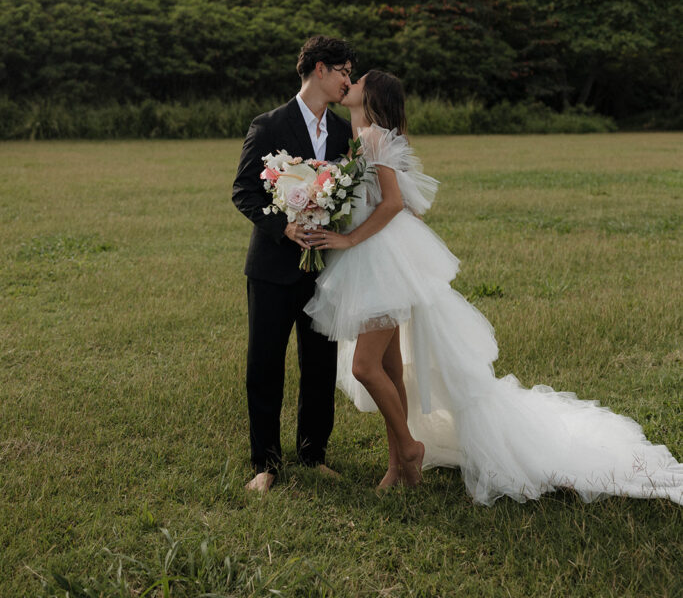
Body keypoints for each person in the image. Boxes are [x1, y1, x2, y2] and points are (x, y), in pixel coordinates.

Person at [303, 70, 683, 504]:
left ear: (372, 95)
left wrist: (350, 238)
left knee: (364, 367)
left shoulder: (371, 137)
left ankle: (409, 448)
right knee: (389, 370)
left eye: (360, 79)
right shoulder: (361, 135)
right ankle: (399, 467)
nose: (351, 80)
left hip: (380, 260)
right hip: (380, 260)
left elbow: (392, 203)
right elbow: (404, 206)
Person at [232, 35, 355, 494]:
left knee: (321, 362)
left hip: (325, 267)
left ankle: (313, 453)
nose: (349, 80)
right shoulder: (267, 126)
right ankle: (265, 463)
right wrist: (283, 226)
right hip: (271, 268)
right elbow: (244, 191)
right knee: (264, 363)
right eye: (344, 71)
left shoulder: (344, 132)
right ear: (319, 69)